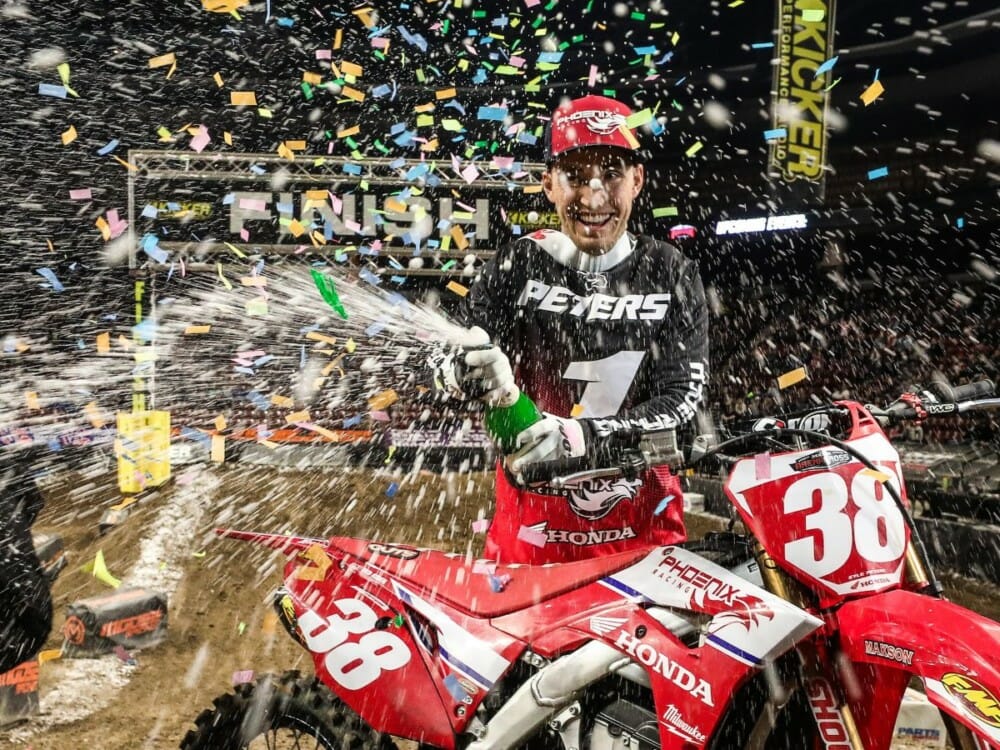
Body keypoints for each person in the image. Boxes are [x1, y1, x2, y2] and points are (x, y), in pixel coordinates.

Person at [439, 94, 710, 564]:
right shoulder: (517, 263)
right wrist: (458, 370)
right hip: (531, 542)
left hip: (646, 544)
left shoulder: (670, 270)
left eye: (612, 174)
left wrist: (581, 436)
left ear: (637, 180)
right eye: (576, 176)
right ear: (548, 183)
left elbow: (686, 405)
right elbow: (444, 359)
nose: (593, 196)